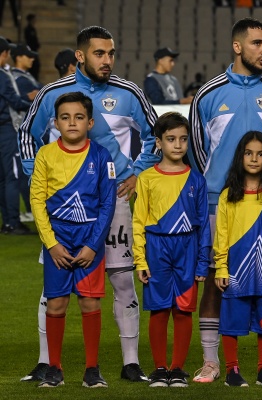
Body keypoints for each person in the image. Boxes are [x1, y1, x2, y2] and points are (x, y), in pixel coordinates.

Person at [19, 25, 158, 383]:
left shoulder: (129, 92)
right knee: (55, 284)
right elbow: (26, 136)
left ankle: (130, 363)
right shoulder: (53, 93)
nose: (108, 60)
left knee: (123, 279)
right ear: (80, 55)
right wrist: (42, 180)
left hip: (116, 201)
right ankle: (46, 362)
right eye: (99, 53)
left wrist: (137, 174)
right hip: (63, 207)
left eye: (111, 53)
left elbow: (156, 135)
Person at [187, 17, 262, 385]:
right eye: (256, 43)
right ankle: (211, 362)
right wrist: (222, 189)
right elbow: (199, 154)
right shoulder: (208, 95)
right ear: (237, 46)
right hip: (219, 205)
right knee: (213, 282)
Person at [31, 92, 117, 388]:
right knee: (55, 304)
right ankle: (55, 368)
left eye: (79, 117)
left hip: (88, 240)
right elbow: (37, 201)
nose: (72, 122)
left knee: (90, 305)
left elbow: (108, 204)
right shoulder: (45, 155)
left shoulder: (101, 156)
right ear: (55, 122)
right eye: (65, 117)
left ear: (90, 122)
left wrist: (93, 245)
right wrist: (51, 244)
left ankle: (92, 369)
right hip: (58, 240)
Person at [133, 112, 211, 388]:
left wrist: (203, 262)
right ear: (158, 142)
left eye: (183, 139)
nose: (178, 145)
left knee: (183, 310)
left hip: (187, 248)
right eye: (170, 139)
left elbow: (203, 225)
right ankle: (158, 368)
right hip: (157, 247)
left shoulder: (197, 180)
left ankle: (177, 368)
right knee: (159, 309)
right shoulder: (146, 178)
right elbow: (139, 220)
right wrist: (140, 260)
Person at [214, 130, 262, 387]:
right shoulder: (228, 196)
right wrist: (221, 268)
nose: (254, 159)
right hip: (236, 270)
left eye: (260, 154)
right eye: (249, 153)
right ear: (240, 157)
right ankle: (231, 371)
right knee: (232, 321)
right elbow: (221, 236)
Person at [0, 36, 33, 236]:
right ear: (3, 54)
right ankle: (13, 222)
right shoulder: (3, 76)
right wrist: (34, 104)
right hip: (7, 130)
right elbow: (15, 102)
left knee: (2, 180)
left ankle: (7, 222)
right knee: (12, 177)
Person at [10, 43, 40, 224]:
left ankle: (28, 209)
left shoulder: (25, 77)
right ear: (18, 57)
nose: (32, 58)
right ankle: (28, 210)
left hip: (24, 129)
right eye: (28, 56)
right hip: (18, 129)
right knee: (22, 172)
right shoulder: (18, 79)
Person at [23, 14, 40, 80]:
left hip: (35, 51)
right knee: (32, 68)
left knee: (36, 67)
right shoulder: (27, 29)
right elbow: (29, 40)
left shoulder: (33, 29)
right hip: (31, 51)